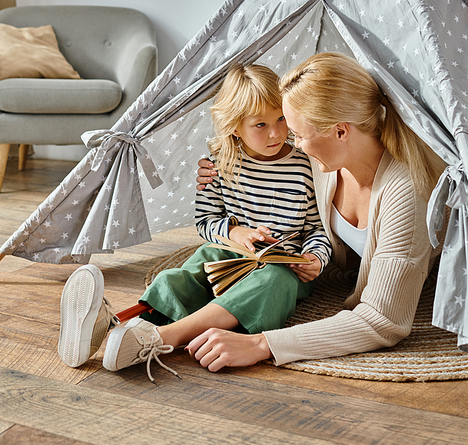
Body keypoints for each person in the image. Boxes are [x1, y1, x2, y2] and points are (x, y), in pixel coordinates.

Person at [58, 63, 331, 381]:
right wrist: (234, 232)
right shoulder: (219, 164)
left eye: (281, 118)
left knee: (274, 281)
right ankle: (110, 323)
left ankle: (151, 336)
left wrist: (316, 259)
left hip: (282, 267)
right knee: (179, 277)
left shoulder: (305, 165)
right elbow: (205, 221)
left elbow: (316, 228)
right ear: (234, 127)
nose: (276, 132)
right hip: (229, 256)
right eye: (260, 124)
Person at [188, 52, 445, 372]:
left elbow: (382, 320)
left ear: (340, 131)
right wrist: (215, 167)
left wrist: (261, 344)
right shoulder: (323, 159)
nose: (289, 144)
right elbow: (251, 138)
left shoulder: (405, 194)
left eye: (296, 134)